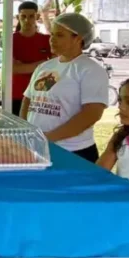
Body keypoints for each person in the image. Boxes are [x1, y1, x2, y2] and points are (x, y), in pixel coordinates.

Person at [21, 12, 109, 163]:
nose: (52, 40)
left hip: (73, 151)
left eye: (60, 35)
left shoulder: (90, 69)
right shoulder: (45, 66)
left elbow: (91, 114)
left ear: (78, 38)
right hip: (38, 147)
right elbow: (27, 100)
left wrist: (49, 137)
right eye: (52, 34)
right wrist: (25, 130)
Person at [12, 1, 52, 115]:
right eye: (23, 16)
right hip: (16, 94)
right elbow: (14, 69)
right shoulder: (11, 40)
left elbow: (54, 68)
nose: (27, 20)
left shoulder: (47, 40)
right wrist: (43, 63)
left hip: (41, 96)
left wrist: (24, 66)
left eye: (31, 16)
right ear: (17, 17)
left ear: (37, 17)